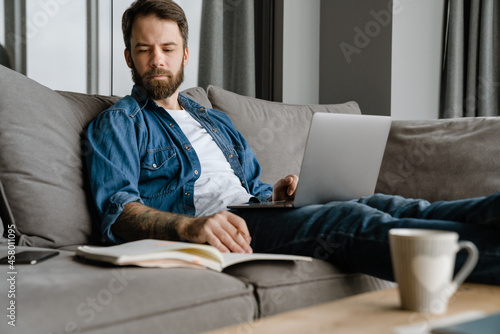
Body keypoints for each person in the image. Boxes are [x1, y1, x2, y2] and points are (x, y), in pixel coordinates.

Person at [85, 0, 500, 285]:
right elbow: (117, 211)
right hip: (225, 232)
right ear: (129, 57)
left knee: (391, 205)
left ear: (185, 54)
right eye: (145, 50)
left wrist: (279, 194)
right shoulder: (119, 123)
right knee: (349, 223)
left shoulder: (216, 122)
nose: (157, 59)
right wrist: (189, 226)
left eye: (167, 48)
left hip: (254, 214)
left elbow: (253, 191)